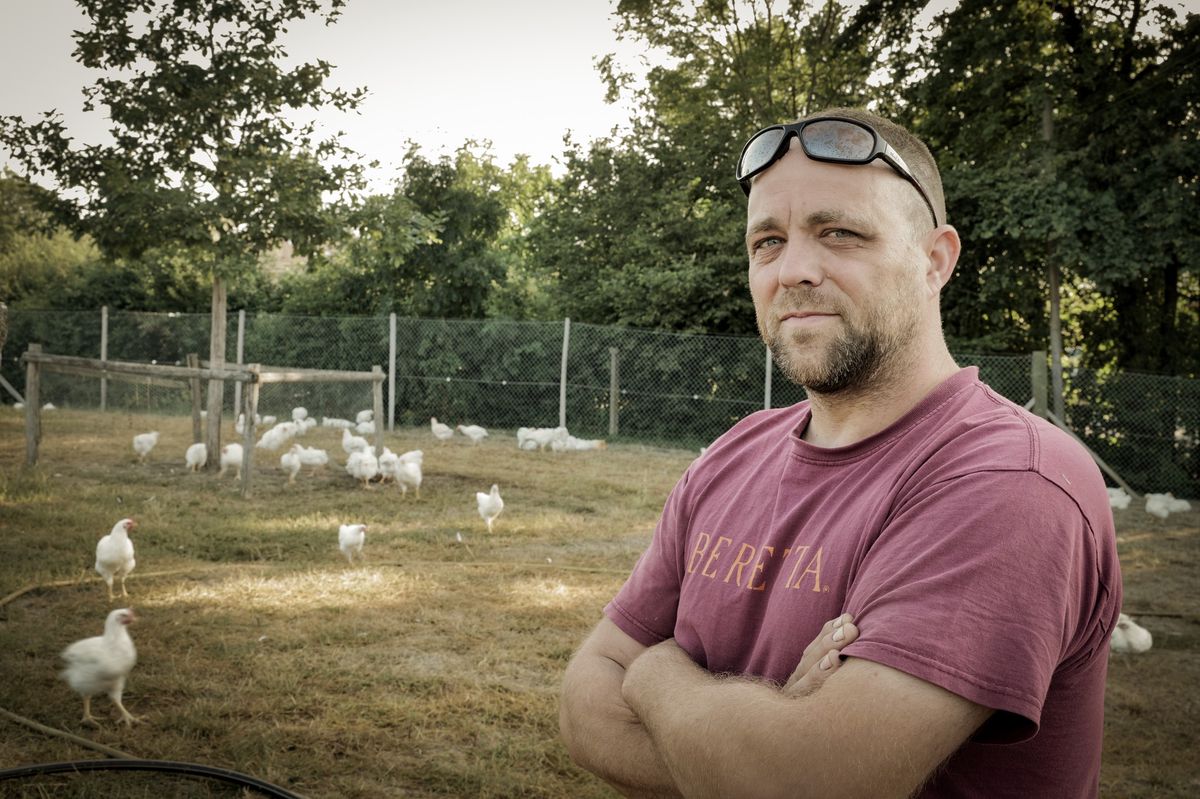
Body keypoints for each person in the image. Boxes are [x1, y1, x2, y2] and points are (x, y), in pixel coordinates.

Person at [558, 107, 1122, 798]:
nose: (793, 270)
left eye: (840, 233)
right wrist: (741, 748)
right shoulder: (734, 454)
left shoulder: (1011, 481)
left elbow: (799, 782)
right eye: (767, 242)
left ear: (935, 261)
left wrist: (655, 674)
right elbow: (584, 706)